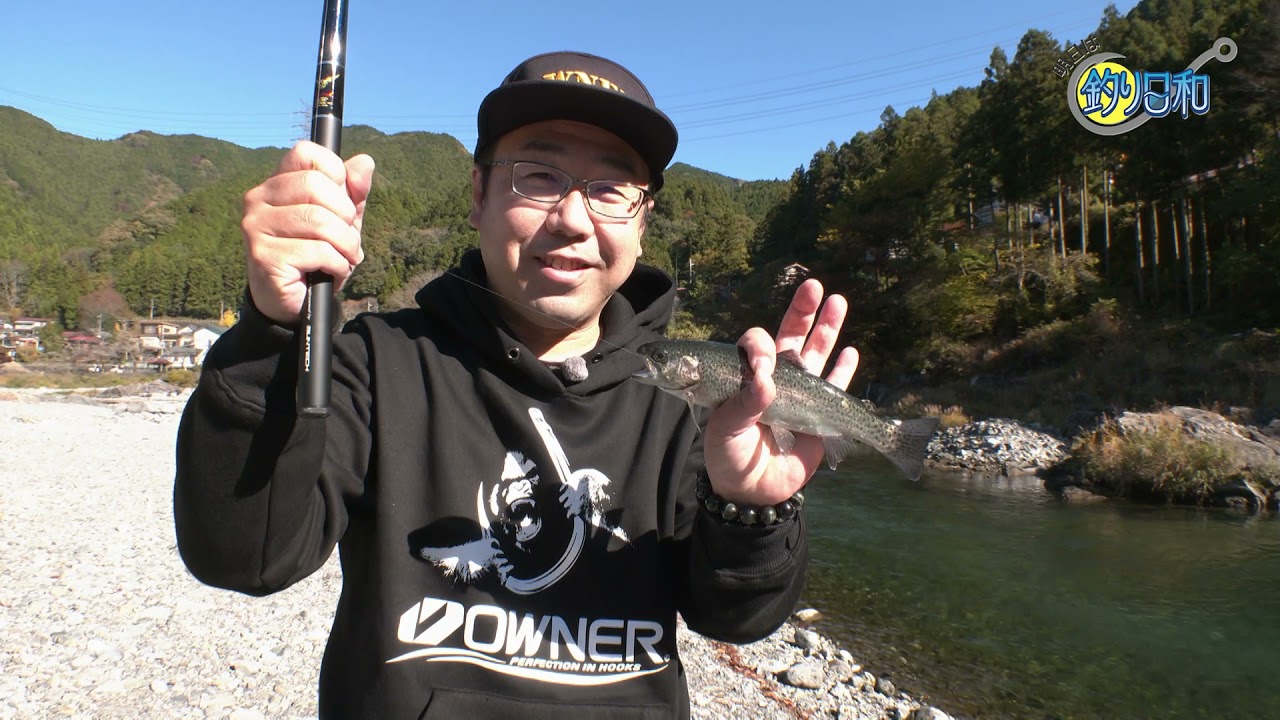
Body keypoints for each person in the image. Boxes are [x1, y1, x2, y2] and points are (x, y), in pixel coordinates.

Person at [174, 50, 858, 719]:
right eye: (538, 176)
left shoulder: (693, 403)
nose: (572, 218)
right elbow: (245, 557)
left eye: (611, 188)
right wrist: (269, 337)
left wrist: (749, 508)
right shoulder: (374, 362)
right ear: (478, 195)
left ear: (643, 222)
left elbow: (736, 619)